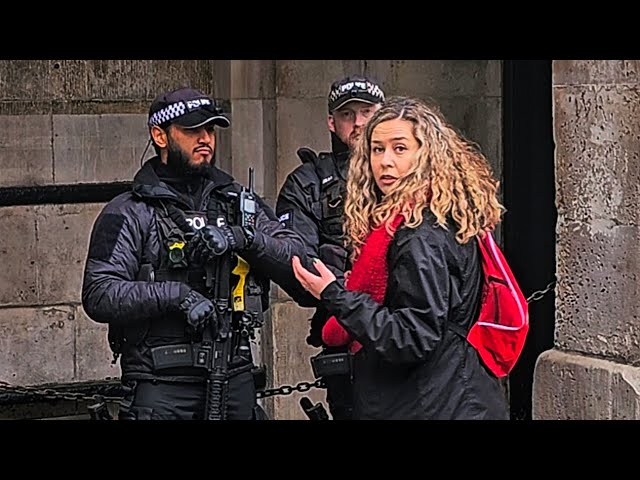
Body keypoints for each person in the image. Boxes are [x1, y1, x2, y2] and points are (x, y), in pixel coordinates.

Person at [82, 86, 308, 420]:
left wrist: (243, 237)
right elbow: (100, 292)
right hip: (161, 383)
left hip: (234, 375)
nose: (205, 139)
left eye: (210, 130)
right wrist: (178, 296)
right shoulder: (130, 211)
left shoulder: (239, 205)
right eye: (192, 130)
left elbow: (301, 263)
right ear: (160, 135)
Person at [291, 96, 510, 419]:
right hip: (444, 397)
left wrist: (335, 294)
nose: (385, 161)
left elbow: (412, 337)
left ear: (427, 154)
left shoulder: (419, 233)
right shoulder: (433, 216)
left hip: (439, 403)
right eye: (377, 149)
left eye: (400, 148)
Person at [275, 75, 385, 420]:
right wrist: (341, 279)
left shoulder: (412, 172)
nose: (359, 123)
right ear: (331, 122)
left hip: (410, 330)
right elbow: (298, 268)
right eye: (348, 114)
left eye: (367, 112)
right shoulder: (306, 183)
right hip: (345, 333)